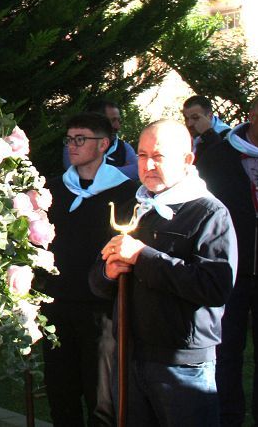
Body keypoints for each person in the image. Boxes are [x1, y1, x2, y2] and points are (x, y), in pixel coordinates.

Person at [89, 120, 236, 427]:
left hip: (181, 364)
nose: (148, 165)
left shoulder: (209, 213)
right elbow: (98, 281)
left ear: (187, 160)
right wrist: (108, 273)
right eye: (142, 155)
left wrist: (143, 257)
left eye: (159, 156)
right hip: (129, 355)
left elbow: (214, 285)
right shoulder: (134, 208)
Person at [195, 93, 258, 427]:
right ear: (253, 117)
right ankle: (228, 417)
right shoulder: (218, 156)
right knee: (226, 352)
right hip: (228, 272)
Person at [43, 113, 136, 426]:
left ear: (104, 145)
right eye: (69, 139)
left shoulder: (125, 193)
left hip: (101, 309)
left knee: (100, 396)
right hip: (55, 306)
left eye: (81, 139)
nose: (73, 145)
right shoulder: (52, 189)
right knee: (61, 392)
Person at [63, 100, 138, 181]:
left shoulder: (124, 147)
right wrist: (122, 171)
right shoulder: (74, 144)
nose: (117, 126)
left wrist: (96, 171)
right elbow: (79, 174)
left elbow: (136, 171)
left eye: (119, 121)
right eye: (112, 121)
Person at [182, 95, 231, 160]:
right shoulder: (186, 135)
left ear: (209, 116)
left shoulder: (227, 137)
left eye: (195, 118)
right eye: (186, 118)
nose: (189, 124)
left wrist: (208, 133)